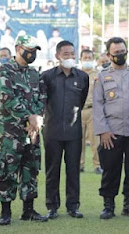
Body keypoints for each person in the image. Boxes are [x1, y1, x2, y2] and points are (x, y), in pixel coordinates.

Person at [93, 37, 129, 220]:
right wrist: (103, 131)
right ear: (109, 55)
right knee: (110, 169)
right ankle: (108, 205)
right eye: (116, 53)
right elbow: (98, 104)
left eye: (122, 51)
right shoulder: (102, 76)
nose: (120, 55)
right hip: (112, 131)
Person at [0, 35, 48, 225]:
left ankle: (28, 210)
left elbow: (42, 98)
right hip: (12, 132)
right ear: (18, 48)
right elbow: (7, 98)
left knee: (31, 170)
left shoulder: (35, 73)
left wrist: (37, 119)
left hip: (32, 132)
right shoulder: (4, 71)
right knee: (8, 170)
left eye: (34, 50)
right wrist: (28, 117)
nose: (31, 53)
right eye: (29, 49)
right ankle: (5, 212)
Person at [41, 40, 89, 219]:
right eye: (66, 54)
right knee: (52, 170)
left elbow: (82, 101)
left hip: (73, 132)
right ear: (57, 56)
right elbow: (43, 101)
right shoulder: (47, 76)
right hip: (52, 131)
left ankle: (73, 206)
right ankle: (52, 206)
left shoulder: (82, 77)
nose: (70, 57)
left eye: (72, 53)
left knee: (73, 170)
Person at [79, 49, 102, 174]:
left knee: (95, 140)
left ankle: (97, 165)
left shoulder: (98, 75)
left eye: (89, 58)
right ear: (81, 59)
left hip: (93, 110)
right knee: (78, 140)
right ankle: (80, 164)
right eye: (85, 58)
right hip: (78, 111)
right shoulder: (76, 74)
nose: (87, 60)